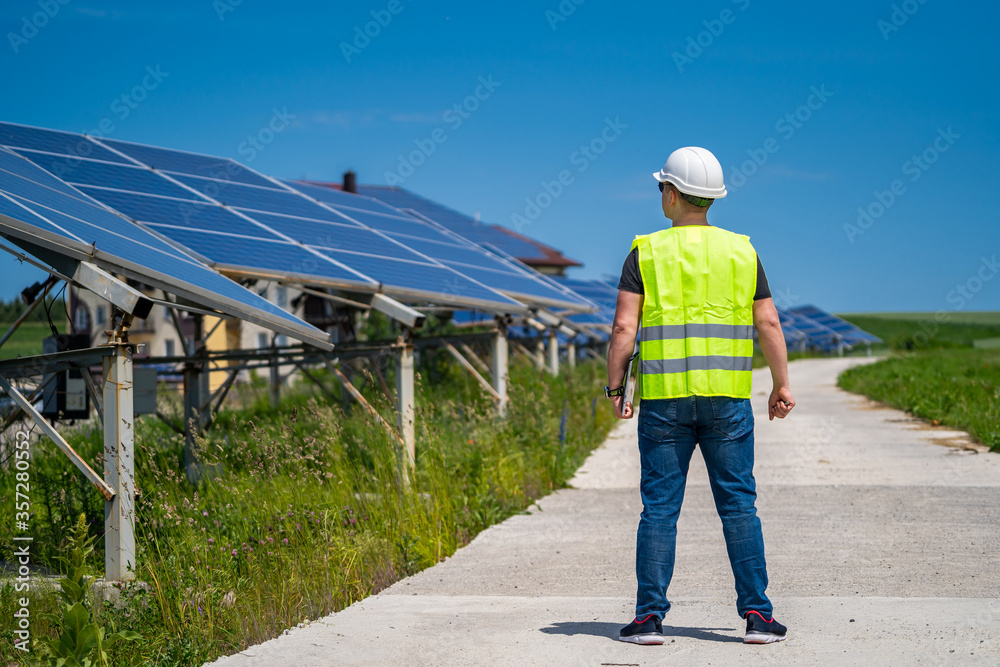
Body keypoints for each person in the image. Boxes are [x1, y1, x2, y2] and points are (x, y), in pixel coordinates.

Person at [604, 146, 795, 646]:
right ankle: (757, 616)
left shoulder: (644, 252)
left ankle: (648, 619)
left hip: (664, 402)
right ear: (712, 198)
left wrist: (616, 387)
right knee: (738, 507)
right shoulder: (742, 251)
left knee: (660, 509)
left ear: (670, 193)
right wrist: (781, 384)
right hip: (727, 401)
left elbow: (624, 327)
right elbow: (768, 321)